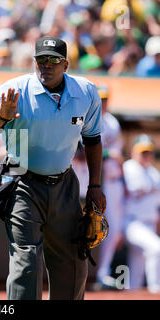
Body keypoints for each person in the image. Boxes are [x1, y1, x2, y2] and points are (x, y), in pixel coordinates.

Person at [0, 36, 106, 300]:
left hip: (64, 182)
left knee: (72, 262)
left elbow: (93, 140)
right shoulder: (16, 88)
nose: (46, 65)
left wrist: (95, 186)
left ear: (66, 64)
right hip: (22, 182)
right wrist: (3, 116)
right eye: (41, 60)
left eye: (53, 60)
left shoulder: (85, 92)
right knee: (26, 261)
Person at [93, 85, 126, 290]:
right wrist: (107, 154)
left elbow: (118, 152)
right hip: (91, 181)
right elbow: (79, 152)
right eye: (100, 99)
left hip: (112, 182)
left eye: (105, 99)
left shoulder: (112, 122)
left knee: (112, 230)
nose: (103, 103)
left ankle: (102, 273)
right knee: (87, 229)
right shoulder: (87, 118)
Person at [123, 134, 160, 293]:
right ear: (133, 152)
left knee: (136, 269)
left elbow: (156, 202)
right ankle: (155, 289)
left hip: (149, 223)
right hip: (132, 222)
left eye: (148, 152)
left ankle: (132, 292)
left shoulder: (153, 172)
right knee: (157, 249)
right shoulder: (129, 166)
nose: (146, 155)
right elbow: (139, 189)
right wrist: (150, 189)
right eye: (142, 151)